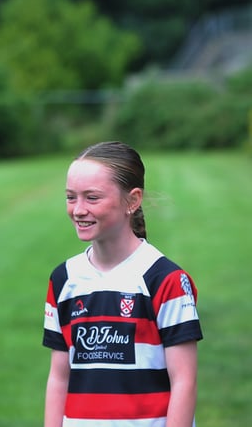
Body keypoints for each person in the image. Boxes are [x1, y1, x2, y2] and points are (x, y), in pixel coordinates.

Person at [42, 141, 203, 427]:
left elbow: (184, 382)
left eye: (92, 198)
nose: (78, 209)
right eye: (70, 197)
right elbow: (59, 377)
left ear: (132, 200)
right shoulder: (64, 279)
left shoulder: (165, 280)